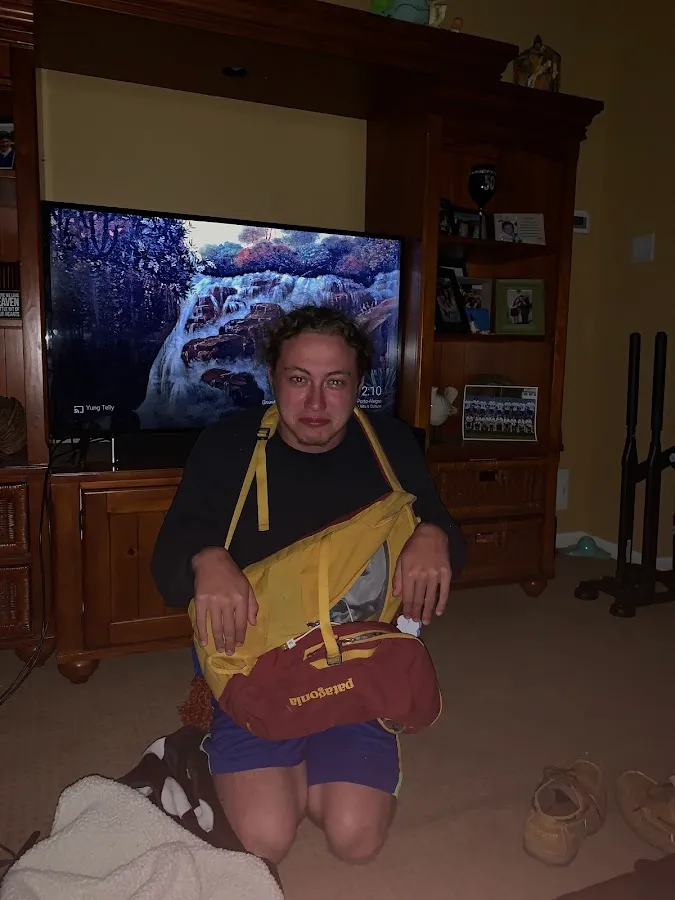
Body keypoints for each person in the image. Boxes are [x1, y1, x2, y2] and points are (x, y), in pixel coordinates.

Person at [152, 305, 467, 866]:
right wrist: (206, 557)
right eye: (299, 380)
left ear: (359, 385)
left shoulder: (389, 444)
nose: (316, 403)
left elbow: (447, 545)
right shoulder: (227, 445)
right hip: (255, 663)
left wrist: (435, 533)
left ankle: (322, 740)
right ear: (272, 379)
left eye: (335, 382)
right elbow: (166, 570)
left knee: (354, 839)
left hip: (354, 661)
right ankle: (205, 744)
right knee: (267, 838)